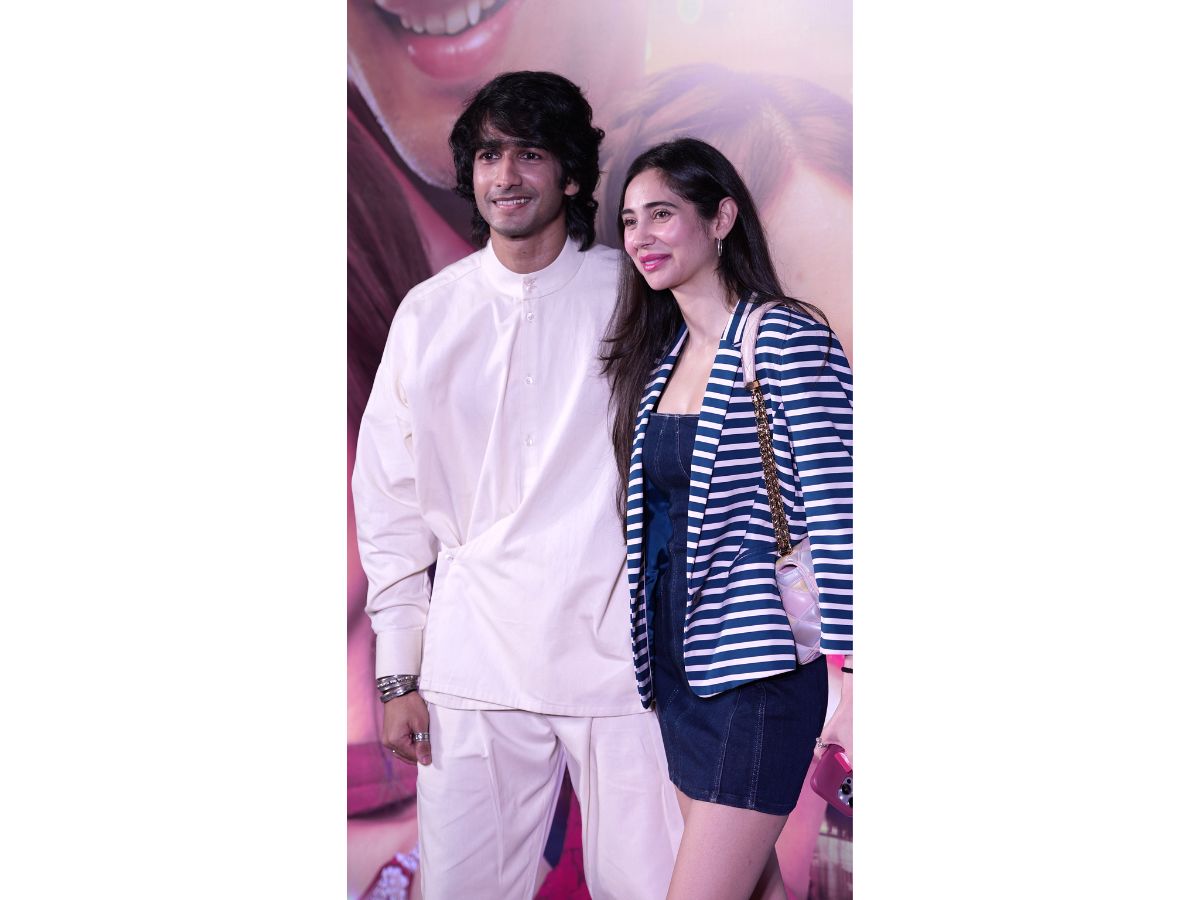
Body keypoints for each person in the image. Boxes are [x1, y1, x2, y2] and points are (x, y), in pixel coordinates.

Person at [352, 70, 682, 900]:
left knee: (653, 887)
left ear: (570, 175)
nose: (505, 175)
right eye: (489, 155)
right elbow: (389, 504)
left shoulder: (637, 294)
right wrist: (398, 675)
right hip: (475, 663)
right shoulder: (429, 314)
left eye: (529, 153)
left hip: (622, 665)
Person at [603, 137, 853, 900]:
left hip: (758, 675)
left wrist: (860, 677)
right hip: (679, 675)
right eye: (629, 220)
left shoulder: (783, 336)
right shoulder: (663, 358)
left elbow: (845, 511)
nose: (641, 236)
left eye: (662, 214)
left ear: (721, 218)